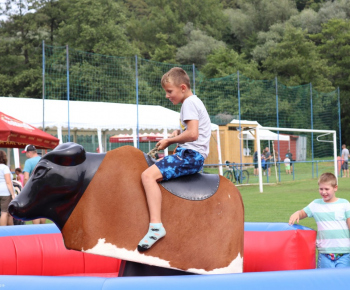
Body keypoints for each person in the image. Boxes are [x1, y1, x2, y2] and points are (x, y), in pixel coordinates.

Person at [138, 67, 211, 252]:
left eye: (169, 91)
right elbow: (192, 131)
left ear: (183, 87)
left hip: (190, 156)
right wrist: (178, 133)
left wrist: (170, 140)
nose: (167, 96)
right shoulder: (193, 102)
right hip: (191, 154)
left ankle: (156, 227)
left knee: (147, 176)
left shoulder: (189, 104)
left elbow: (194, 135)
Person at [289, 173, 350, 268]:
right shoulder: (315, 205)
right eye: (321, 189)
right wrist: (297, 213)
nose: (323, 192)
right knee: (325, 281)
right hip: (324, 253)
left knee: (343, 281)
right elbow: (303, 213)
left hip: (344, 253)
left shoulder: (344, 204)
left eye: (327, 189)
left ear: (335, 188)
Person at [22, 144, 46, 224]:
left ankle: (36, 232)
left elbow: (26, 177)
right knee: (42, 210)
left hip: (33, 189)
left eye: (26, 153)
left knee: (34, 210)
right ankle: (44, 231)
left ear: (29, 153)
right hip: (44, 188)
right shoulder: (43, 159)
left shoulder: (28, 162)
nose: (25, 155)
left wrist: (26, 190)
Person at [0, 150, 16, 226]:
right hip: (5, 192)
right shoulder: (4, 167)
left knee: (8, 213)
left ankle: (11, 229)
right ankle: (3, 232)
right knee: (4, 212)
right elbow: (8, 182)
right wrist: (12, 194)